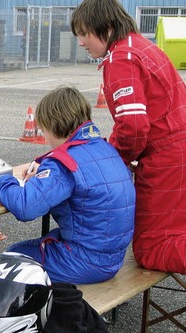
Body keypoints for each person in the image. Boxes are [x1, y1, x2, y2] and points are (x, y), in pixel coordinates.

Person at [72, 0, 186, 275]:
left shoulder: (120, 58)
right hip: (177, 146)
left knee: (152, 246)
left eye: (85, 33)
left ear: (107, 28)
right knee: (177, 230)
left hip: (167, 156)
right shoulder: (143, 46)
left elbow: (133, 126)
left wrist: (115, 163)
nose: (81, 42)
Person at [0, 86, 135, 284]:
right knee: (47, 241)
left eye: (43, 128)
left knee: (9, 259)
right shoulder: (106, 149)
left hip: (84, 263)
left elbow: (26, 207)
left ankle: (34, 312)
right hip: (113, 258)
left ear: (53, 125)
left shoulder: (63, 163)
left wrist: (3, 182)